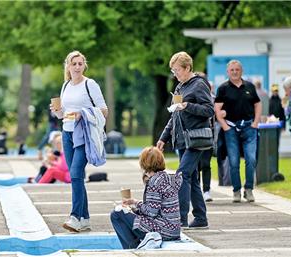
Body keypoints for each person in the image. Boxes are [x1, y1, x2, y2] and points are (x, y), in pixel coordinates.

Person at [50, 50, 108, 232]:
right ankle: (85, 219)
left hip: (84, 135)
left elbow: (104, 110)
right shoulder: (66, 85)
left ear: (84, 65)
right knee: (77, 177)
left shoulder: (90, 84)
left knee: (75, 173)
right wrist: (56, 110)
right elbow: (62, 115)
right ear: (68, 66)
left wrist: (82, 114)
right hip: (67, 134)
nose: (77, 67)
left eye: (80, 64)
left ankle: (75, 216)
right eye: (73, 64)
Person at [157, 51, 214, 229]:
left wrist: (187, 106)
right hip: (182, 140)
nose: (175, 75)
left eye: (177, 71)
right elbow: (174, 115)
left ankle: (179, 219)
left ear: (187, 68)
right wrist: (163, 137)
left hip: (196, 138)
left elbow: (209, 110)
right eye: (173, 72)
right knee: (192, 178)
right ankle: (200, 218)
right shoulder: (180, 87)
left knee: (181, 176)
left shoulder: (198, 85)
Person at [110, 146, 182, 249]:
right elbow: (156, 207)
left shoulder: (154, 181)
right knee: (127, 215)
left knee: (116, 214)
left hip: (163, 230)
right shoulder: (166, 178)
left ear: (144, 162)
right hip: (173, 229)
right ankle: (138, 246)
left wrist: (135, 205)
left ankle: (133, 249)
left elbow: (151, 212)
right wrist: (135, 206)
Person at [215, 60, 261, 203]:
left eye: (237, 69)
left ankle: (248, 189)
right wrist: (224, 126)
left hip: (249, 128)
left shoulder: (250, 87)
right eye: (232, 70)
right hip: (231, 128)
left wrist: (255, 123)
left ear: (241, 71)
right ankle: (236, 190)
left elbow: (258, 104)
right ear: (228, 72)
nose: (235, 72)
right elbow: (217, 108)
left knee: (251, 160)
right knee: (234, 162)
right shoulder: (223, 88)